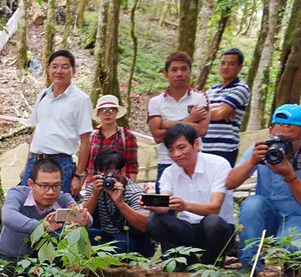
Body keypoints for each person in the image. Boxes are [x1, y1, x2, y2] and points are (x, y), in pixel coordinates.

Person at [225, 104, 301, 270]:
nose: (282, 146)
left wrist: (290, 175)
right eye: (278, 138)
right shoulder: (260, 149)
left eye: (290, 141)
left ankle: (292, 270)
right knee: (252, 203)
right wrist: (252, 161)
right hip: (267, 215)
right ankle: (249, 265)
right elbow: (230, 183)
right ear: (270, 131)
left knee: (290, 247)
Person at [0, 159, 89, 277]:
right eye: (44, 186)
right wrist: (42, 227)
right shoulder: (18, 194)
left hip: (45, 260)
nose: (50, 192)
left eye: (56, 186)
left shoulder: (63, 199)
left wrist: (83, 218)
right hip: (8, 255)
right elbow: (8, 216)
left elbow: (83, 217)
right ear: (31, 184)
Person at [145, 123, 235, 267]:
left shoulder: (218, 164)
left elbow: (215, 208)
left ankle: (210, 264)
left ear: (196, 144)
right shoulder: (169, 172)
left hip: (219, 230)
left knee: (213, 222)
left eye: (181, 147)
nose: (176, 155)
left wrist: (186, 205)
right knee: (154, 221)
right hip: (187, 230)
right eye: (171, 150)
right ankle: (184, 259)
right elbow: (164, 205)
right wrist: (153, 205)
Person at [19, 50, 93, 192]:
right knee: (26, 205)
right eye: (54, 66)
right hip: (34, 162)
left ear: (74, 71)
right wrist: (26, 165)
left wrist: (78, 174)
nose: (59, 71)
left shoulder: (81, 100)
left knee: (55, 208)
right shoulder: (43, 95)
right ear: (48, 69)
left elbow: (85, 140)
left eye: (64, 67)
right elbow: (36, 131)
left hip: (60, 163)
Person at [147, 51, 210, 192]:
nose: (179, 74)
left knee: (196, 208)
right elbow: (157, 136)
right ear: (166, 74)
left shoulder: (199, 98)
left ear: (190, 71)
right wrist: (189, 120)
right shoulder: (156, 102)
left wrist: (168, 124)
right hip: (166, 161)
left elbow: (201, 130)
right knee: (163, 207)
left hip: (195, 162)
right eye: (174, 70)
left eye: (184, 69)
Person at [81, 150, 155, 257]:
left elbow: (144, 225)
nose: (106, 178)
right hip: (107, 235)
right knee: (83, 236)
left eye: (109, 173)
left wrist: (120, 203)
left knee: (120, 243)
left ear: (123, 171)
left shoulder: (133, 191)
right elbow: (81, 218)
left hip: (135, 238)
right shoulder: (95, 188)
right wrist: (94, 196)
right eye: (101, 173)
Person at [201, 48, 251, 167]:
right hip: (203, 147)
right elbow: (194, 112)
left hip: (224, 149)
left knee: (220, 185)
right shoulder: (211, 90)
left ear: (239, 67)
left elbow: (220, 114)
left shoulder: (241, 89)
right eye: (223, 63)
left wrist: (208, 110)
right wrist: (219, 107)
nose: (225, 67)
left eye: (231, 64)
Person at [86, 95, 138, 181]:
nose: (107, 114)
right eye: (103, 111)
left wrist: (130, 189)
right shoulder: (91, 137)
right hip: (94, 185)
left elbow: (132, 166)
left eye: (111, 110)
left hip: (119, 186)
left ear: (116, 112)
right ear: (98, 114)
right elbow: (86, 166)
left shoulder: (127, 136)